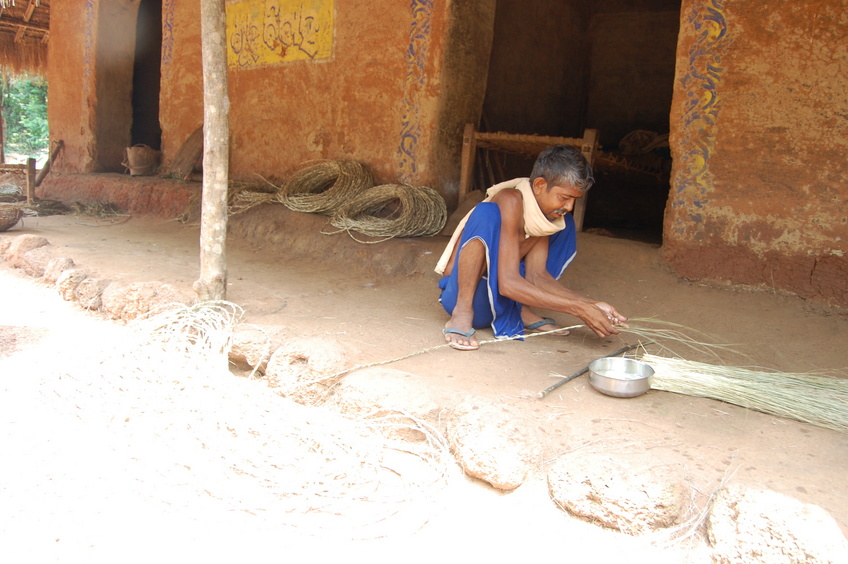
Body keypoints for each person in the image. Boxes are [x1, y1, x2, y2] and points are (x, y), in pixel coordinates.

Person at [435, 144, 628, 351]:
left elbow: (537, 277)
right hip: (472, 299)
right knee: (486, 212)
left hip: (504, 301)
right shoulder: (510, 200)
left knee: (566, 224)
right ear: (539, 185)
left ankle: (521, 310)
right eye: (564, 197)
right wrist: (578, 308)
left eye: (574, 199)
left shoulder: (542, 217)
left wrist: (592, 304)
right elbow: (507, 284)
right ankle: (461, 314)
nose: (569, 206)